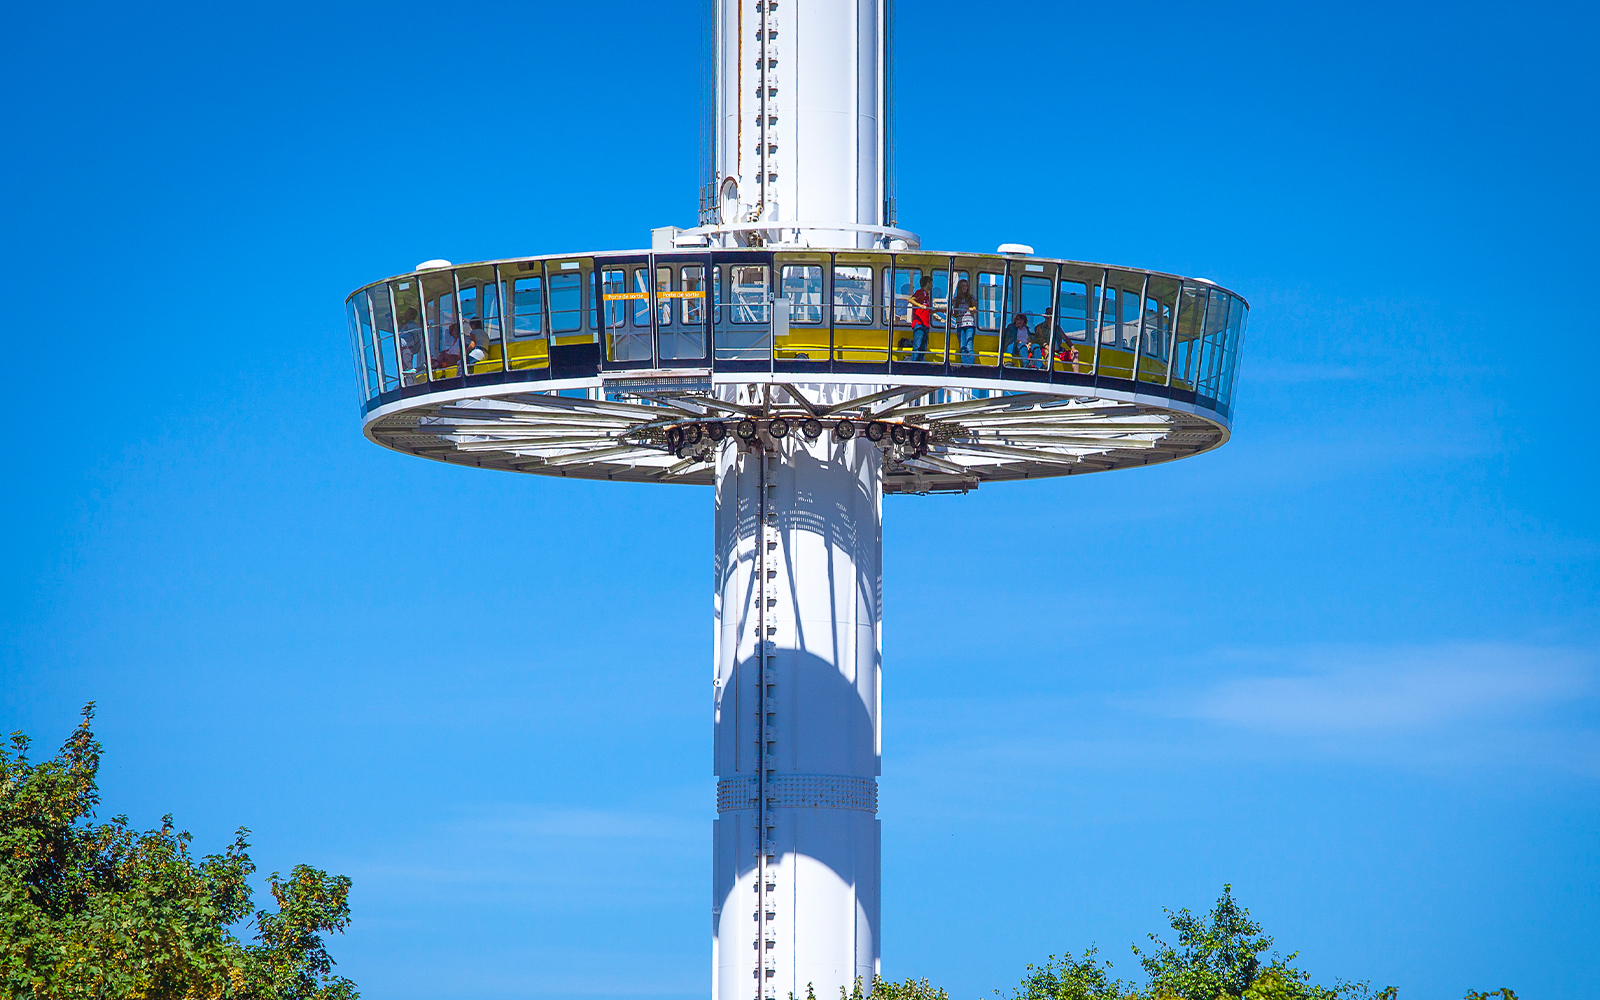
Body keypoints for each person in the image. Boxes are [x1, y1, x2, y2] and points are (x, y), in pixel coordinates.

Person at [950, 279, 977, 365]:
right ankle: (965, 365)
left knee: (969, 346)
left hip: (969, 324)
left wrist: (972, 309)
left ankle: (970, 365)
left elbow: (974, 310)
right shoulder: (955, 300)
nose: (964, 288)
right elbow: (955, 313)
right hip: (959, 324)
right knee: (962, 347)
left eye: (966, 286)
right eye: (962, 286)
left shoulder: (971, 298)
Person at [909, 275, 934, 362]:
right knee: (917, 345)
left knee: (923, 346)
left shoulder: (927, 296)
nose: (932, 286)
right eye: (931, 283)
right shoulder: (920, 292)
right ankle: (915, 364)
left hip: (926, 324)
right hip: (919, 323)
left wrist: (938, 310)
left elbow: (928, 311)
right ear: (927, 283)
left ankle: (921, 364)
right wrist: (920, 306)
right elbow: (911, 300)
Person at [398, 307, 424, 383]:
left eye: (407, 313)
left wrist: (397, 320)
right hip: (403, 349)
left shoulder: (412, 325)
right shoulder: (408, 325)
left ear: (411, 315)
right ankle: (405, 383)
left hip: (407, 349)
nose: (404, 314)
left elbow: (405, 327)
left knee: (407, 369)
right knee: (403, 368)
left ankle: (409, 384)